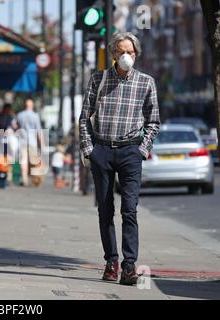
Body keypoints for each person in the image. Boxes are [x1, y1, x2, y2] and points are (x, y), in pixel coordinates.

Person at [79, 32, 160, 285]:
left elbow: (153, 121)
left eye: (131, 52)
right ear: (114, 53)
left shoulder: (146, 82)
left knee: (129, 210)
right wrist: (89, 150)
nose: (127, 56)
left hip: (130, 152)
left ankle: (128, 265)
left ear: (136, 54)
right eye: (122, 51)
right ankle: (111, 261)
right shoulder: (99, 79)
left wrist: (142, 149)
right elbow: (84, 118)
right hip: (102, 149)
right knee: (105, 210)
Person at [16, 99, 43, 187]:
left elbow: (16, 127)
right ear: (32, 106)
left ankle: (24, 179)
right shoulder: (35, 116)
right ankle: (35, 180)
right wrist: (41, 144)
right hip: (32, 142)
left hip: (22, 140)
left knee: (23, 161)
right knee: (34, 162)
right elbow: (38, 131)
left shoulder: (20, 115)